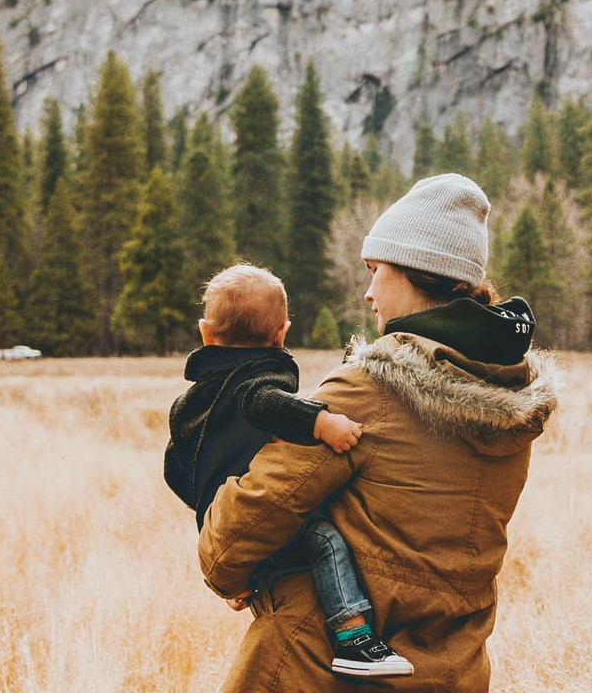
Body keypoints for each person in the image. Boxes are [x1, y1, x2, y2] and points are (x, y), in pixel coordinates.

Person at [199, 173, 557, 692]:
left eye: (376, 270)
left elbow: (237, 534)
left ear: (414, 271)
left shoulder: (368, 391)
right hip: (454, 674)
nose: (368, 292)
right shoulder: (508, 401)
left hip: (315, 668)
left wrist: (238, 573)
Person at [165, 263, 414, 678]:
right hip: (252, 514)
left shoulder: (194, 401)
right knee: (325, 539)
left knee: (278, 559)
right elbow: (261, 402)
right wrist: (322, 423)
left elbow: (175, 467)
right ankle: (353, 638)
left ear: (206, 334)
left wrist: (208, 511)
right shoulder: (256, 377)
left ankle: (248, 576)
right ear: (282, 333)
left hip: (219, 515)